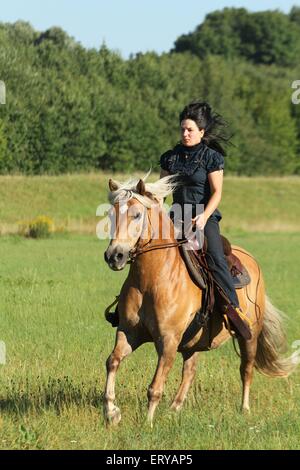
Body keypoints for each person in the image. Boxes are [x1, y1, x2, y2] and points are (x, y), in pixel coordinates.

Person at [160, 101, 252, 338]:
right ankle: (129, 305)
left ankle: (234, 309)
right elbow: (160, 191)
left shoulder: (211, 157)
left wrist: (203, 217)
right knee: (147, 250)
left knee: (215, 256)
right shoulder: (170, 158)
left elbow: (217, 193)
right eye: (182, 129)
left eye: (190, 130)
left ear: (202, 132)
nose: (185, 134)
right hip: (176, 216)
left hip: (204, 216)